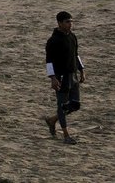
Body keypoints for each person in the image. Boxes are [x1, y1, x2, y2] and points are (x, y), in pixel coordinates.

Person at [45, 11, 86, 144]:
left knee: (75, 104)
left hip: (72, 75)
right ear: (60, 23)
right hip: (61, 76)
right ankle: (66, 135)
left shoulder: (73, 37)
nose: (70, 24)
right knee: (62, 105)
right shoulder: (53, 41)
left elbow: (76, 54)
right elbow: (49, 61)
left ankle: (52, 120)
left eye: (71, 22)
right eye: (67, 22)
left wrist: (82, 70)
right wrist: (53, 78)